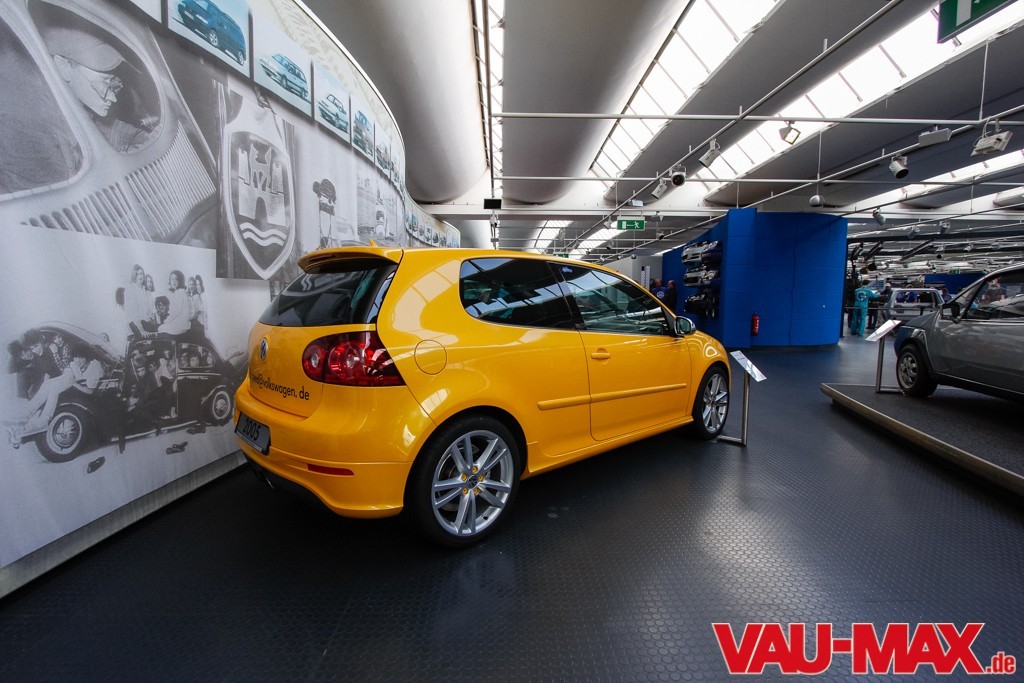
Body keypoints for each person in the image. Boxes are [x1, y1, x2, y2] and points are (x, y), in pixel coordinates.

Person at [44, 24, 155, 153]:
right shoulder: (44, 131)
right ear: (65, 68)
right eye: (104, 81)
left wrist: (147, 139)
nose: (113, 98)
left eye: (114, 82)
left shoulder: (80, 107)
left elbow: (111, 129)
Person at [9, 343, 104, 442]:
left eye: (80, 357)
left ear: (87, 357)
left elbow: (90, 391)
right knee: (47, 384)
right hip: (70, 376)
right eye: (75, 357)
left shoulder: (94, 368)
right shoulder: (75, 363)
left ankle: (43, 421)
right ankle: (26, 413)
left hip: (80, 388)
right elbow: (69, 370)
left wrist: (74, 383)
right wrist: (67, 375)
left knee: (54, 389)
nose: (77, 360)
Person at [159, 270, 191, 335]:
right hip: (184, 325)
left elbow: (175, 312)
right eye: (172, 279)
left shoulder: (179, 293)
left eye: (176, 279)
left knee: (160, 328)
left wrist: (166, 321)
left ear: (180, 281)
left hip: (179, 326)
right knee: (162, 326)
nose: (173, 281)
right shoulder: (181, 292)